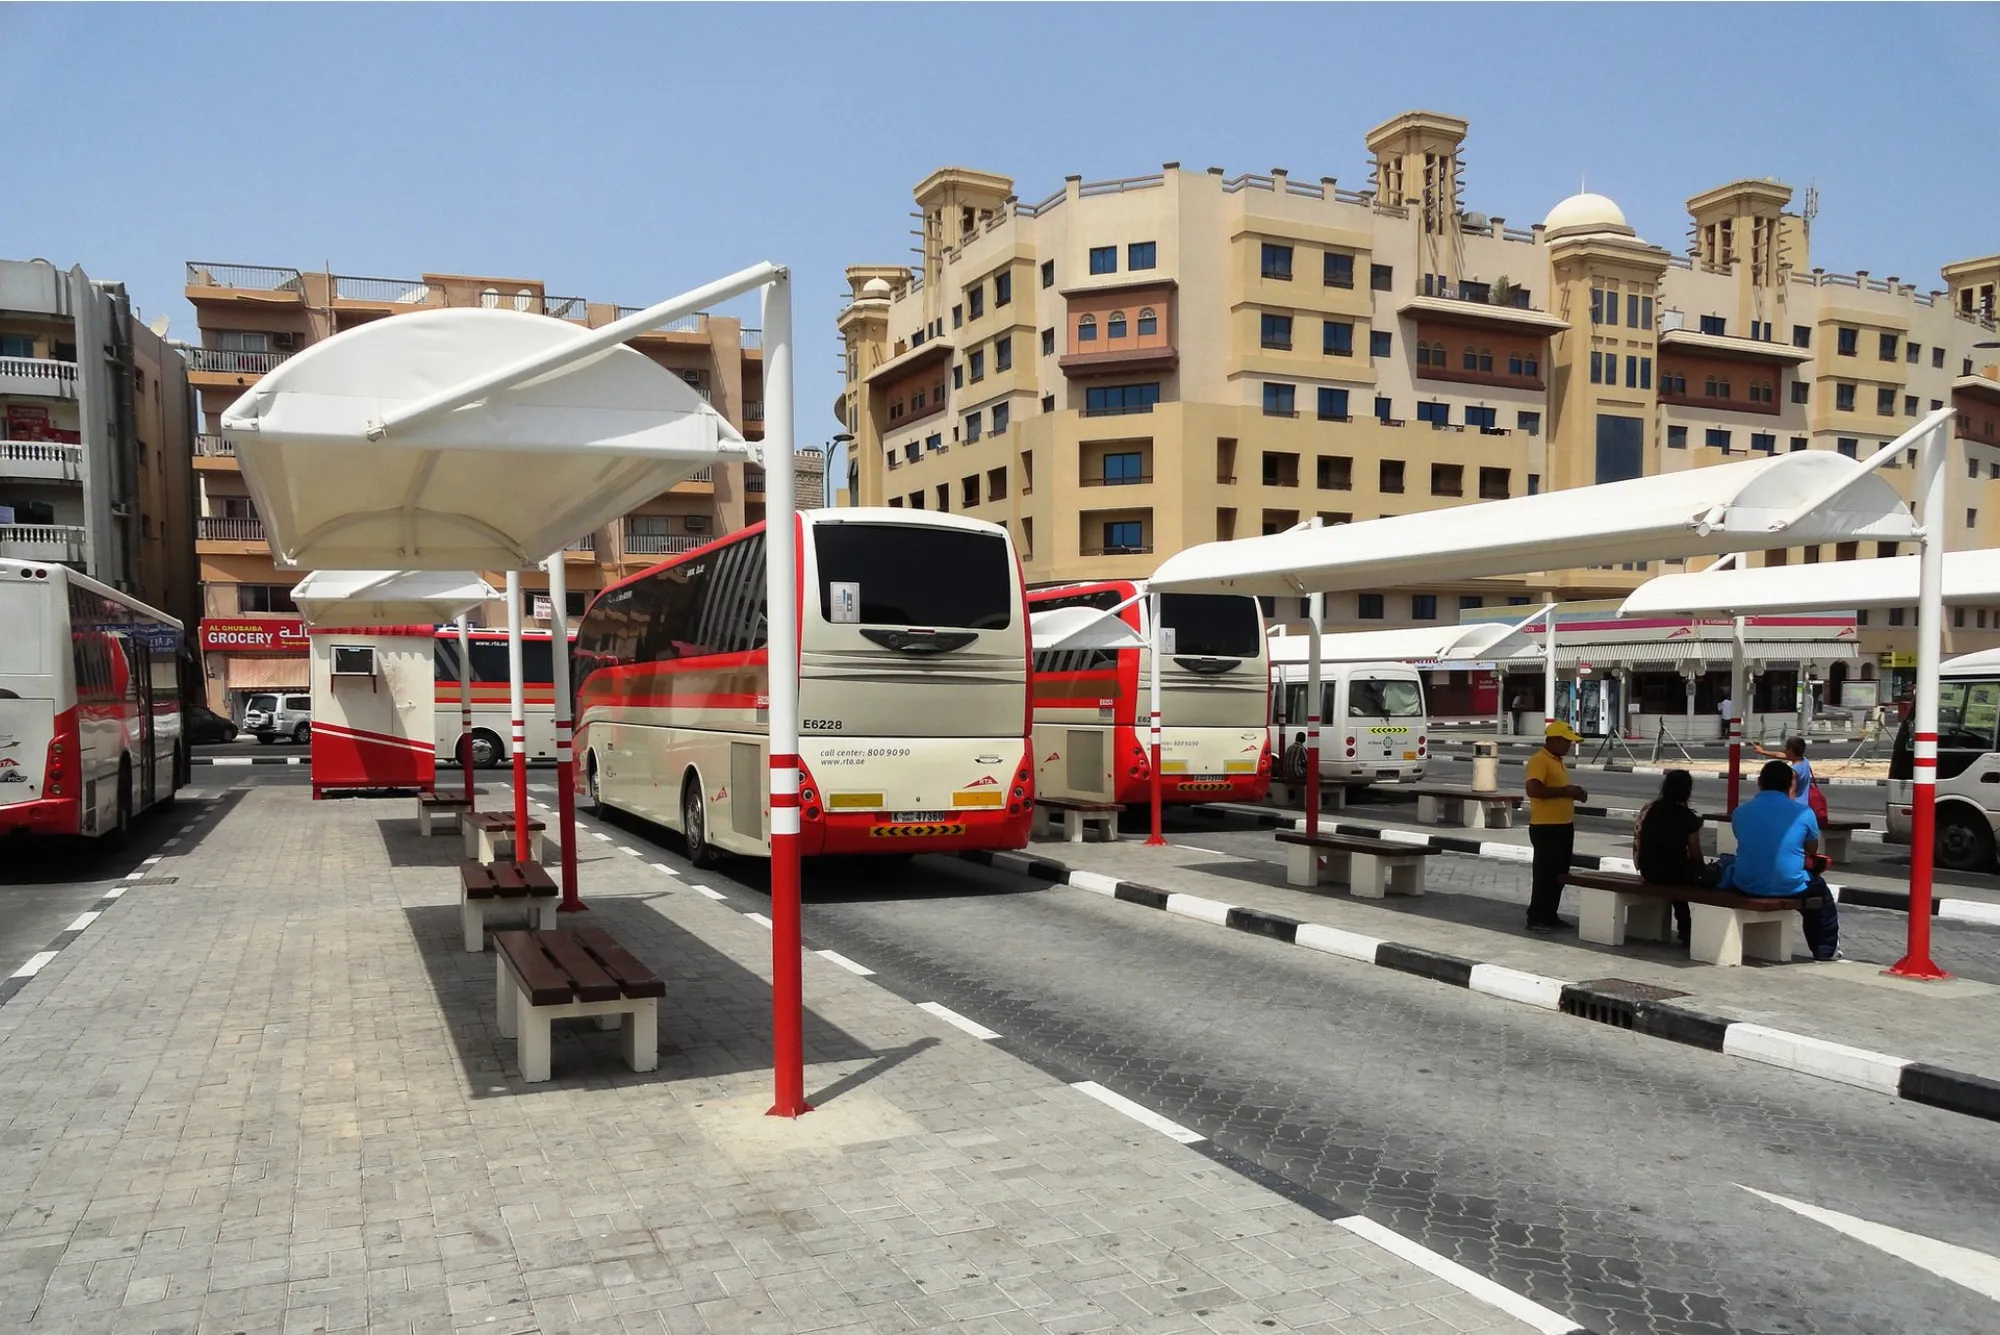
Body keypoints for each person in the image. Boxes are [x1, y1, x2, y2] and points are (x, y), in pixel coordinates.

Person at [1730, 759, 1842, 960]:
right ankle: (1823, 951)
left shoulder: (1740, 812)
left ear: (1759, 781)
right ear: (1790, 786)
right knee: (1822, 899)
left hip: (1745, 882)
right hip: (1790, 884)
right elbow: (1812, 848)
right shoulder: (1804, 813)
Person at [1524, 721, 1588, 931]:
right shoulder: (1539, 760)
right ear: (1555, 740)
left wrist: (1575, 794)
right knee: (1544, 874)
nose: (1570, 745)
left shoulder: (1558, 761)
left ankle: (1550, 915)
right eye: (1567, 742)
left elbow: (1559, 789)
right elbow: (1533, 789)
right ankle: (1536, 917)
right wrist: (1564, 792)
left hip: (1563, 825)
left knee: (1559, 874)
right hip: (1546, 827)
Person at [1634, 769, 1704, 944]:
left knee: (1677, 876)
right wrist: (1704, 871)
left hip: (1648, 870)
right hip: (1674, 874)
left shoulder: (1649, 809)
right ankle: (1686, 930)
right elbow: (1695, 853)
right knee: (1685, 880)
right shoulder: (1688, 817)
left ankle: (1685, 929)